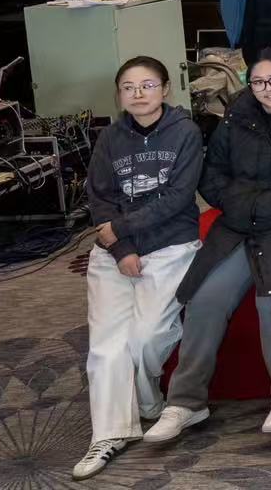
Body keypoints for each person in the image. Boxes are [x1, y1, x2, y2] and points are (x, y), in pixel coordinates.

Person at [143, 49, 271, 443]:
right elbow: (212, 172)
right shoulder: (238, 115)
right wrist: (239, 203)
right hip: (242, 221)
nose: (267, 89)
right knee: (206, 298)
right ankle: (185, 402)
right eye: (258, 82)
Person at [76, 57, 204, 479]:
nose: (138, 94)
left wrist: (121, 229)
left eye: (147, 85)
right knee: (106, 346)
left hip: (170, 246)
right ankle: (109, 434)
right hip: (115, 252)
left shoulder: (185, 132)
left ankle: (149, 403)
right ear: (119, 95)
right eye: (128, 87)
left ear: (165, 89)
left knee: (147, 338)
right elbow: (100, 197)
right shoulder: (110, 138)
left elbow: (178, 197)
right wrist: (121, 247)